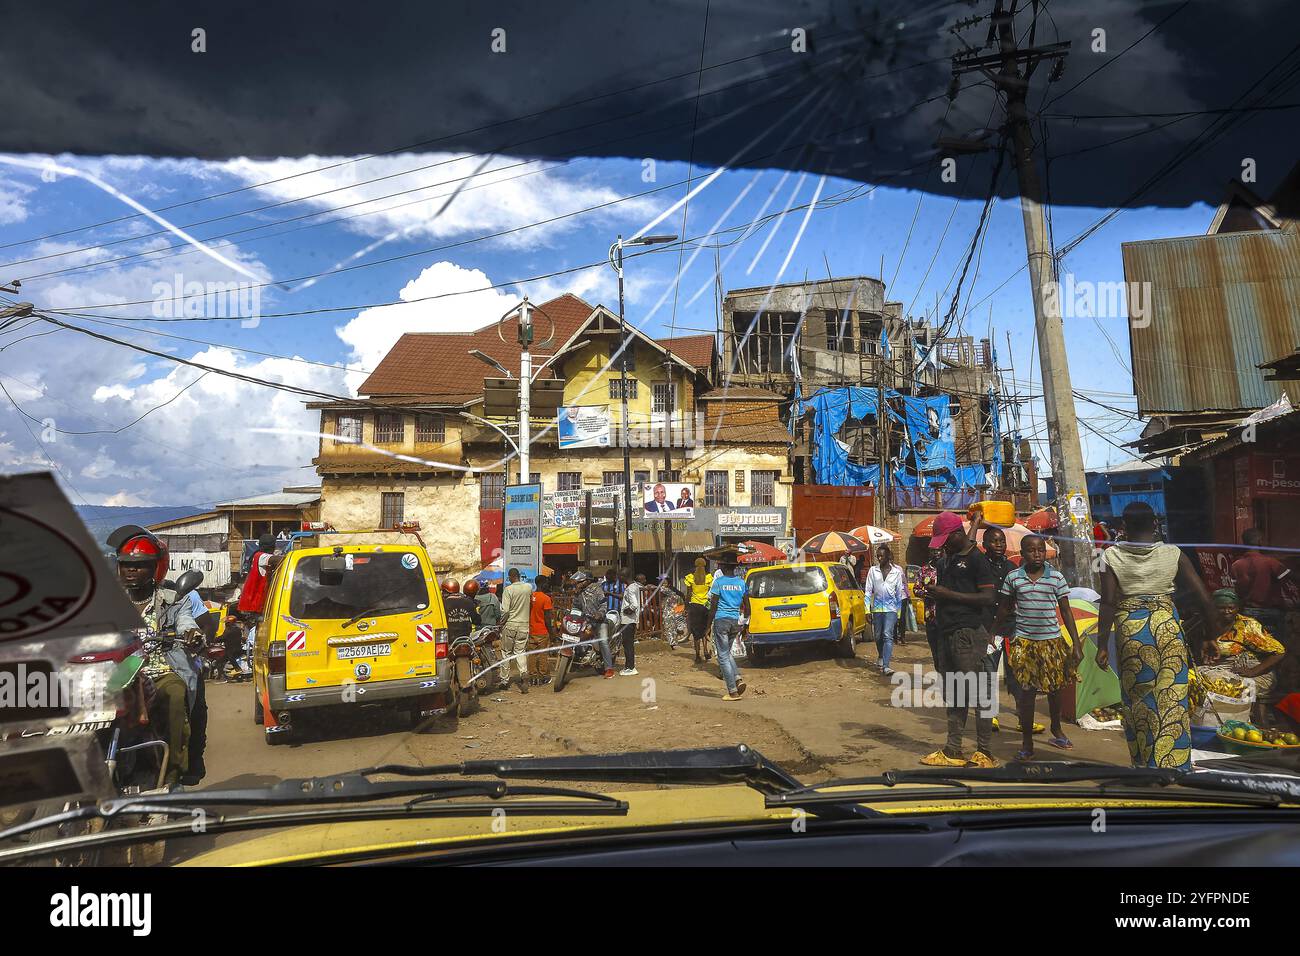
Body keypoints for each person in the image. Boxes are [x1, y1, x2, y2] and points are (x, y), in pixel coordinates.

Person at [1095, 501, 1215, 771]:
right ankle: (1174, 765)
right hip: (1167, 627)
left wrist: (1102, 645)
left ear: (1123, 527)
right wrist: (1210, 635)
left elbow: (1108, 603)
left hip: (1132, 631)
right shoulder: (1174, 554)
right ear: (1154, 524)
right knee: (1172, 695)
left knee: (1139, 699)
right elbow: (1204, 598)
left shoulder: (1110, 557)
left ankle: (1145, 764)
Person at [112, 528, 201, 787]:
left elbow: (186, 622)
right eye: (126, 565)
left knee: (174, 695)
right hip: (119, 673)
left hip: (161, 670)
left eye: (140, 566)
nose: (131, 571)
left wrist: (193, 633)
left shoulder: (174, 600)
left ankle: (171, 773)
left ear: (156, 569)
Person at [916, 511, 999, 769]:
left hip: (969, 633)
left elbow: (988, 598)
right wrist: (936, 595)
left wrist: (947, 594)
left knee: (979, 694)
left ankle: (984, 752)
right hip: (947, 632)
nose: (941, 546)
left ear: (956, 535)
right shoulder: (949, 559)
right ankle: (953, 750)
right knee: (954, 693)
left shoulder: (977, 560)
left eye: (944, 540)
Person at [996, 535, 1081, 761]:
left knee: (1054, 691)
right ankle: (1027, 742)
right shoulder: (1013, 578)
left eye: (1041, 550)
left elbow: (1066, 611)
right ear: (1022, 554)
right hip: (1024, 644)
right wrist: (992, 632)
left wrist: (1076, 643)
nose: (1037, 554)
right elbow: (1004, 609)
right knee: (1027, 694)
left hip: (1052, 642)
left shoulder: (1056, 578)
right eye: (1031, 550)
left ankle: (1056, 729)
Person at [1204, 588, 1286, 725]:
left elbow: (1279, 651)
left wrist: (1253, 671)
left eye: (1231, 607)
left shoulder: (1247, 626)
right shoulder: (1205, 624)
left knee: (1224, 687)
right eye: (1221, 608)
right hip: (1219, 668)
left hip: (1254, 670)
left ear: (1238, 608)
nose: (1227, 611)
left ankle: (1234, 724)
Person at [1230, 528, 1291, 648]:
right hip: (1272, 612)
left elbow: (1236, 591)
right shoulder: (1271, 562)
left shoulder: (1236, 565)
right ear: (1259, 541)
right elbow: (1289, 579)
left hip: (1248, 612)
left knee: (1252, 647)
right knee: (1276, 648)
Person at [706, 562, 748, 700]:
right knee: (727, 652)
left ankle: (732, 691)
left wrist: (707, 626)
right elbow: (748, 606)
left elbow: (713, 606)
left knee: (722, 656)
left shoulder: (718, 582)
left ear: (723, 568)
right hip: (735, 621)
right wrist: (745, 624)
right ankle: (737, 678)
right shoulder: (741, 583)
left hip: (721, 621)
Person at [865, 544, 908, 676]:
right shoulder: (873, 571)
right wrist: (867, 610)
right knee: (878, 636)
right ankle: (881, 655)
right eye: (877, 555)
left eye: (881, 555)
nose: (879, 557)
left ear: (888, 556)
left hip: (891, 609)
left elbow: (899, 594)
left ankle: (886, 665)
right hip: (877, 609)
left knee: (887, 635)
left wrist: (899, 614)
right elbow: (867, 591)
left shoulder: (896, 573)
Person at [575, 571, 617, 678]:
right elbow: (576, 607)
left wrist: (600, 613)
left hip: (599, 621)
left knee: (603, 641)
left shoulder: (597, 589)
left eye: (581, 581)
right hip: (585, 621)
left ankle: (609, 669)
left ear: (588, 581)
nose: (578, 582)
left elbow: (603, 604)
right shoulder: (579, 592)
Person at [499, 568, 533, 694]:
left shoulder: (508, 590)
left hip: (510, 625)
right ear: (519, 576)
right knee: (521, 652)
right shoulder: (528, 587)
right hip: (524, 625)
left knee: (506, 653)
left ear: (510, 577)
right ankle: (523, 673)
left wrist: (501, 622)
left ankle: (504, 680)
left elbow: (505, 611)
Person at [527, 576, 558, 685]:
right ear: (542, 584)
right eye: (547, 583)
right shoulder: (546, 598)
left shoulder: (531, 597)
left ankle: (532, 676)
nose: (548, 585)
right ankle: (543, 676)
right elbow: (547, 618)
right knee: (543, 654)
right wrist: (552, 633)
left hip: (531, 631)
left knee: (532, 654)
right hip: (542, 631)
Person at [683, 557, 714, 663]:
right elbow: (711, 594)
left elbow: (688, 594)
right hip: (705, 605)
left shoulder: (690, 578)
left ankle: (697, 655)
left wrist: (686, 607)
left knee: (696, 632)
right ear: (705, 565)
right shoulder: (709, 578)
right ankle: (705, 650)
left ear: (695, 565)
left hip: (694, 606)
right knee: (705, 629)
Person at [617, 570, 643, 676]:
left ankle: (630, 667)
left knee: (628, 644)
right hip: (631, 620)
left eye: (620, 577)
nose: (619, 579)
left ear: (624, 576)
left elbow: (634, 604)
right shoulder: (635, 586)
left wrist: (627, 610)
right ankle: (628, 666)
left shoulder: (630, 589)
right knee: (628, 644)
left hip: (628, 620)